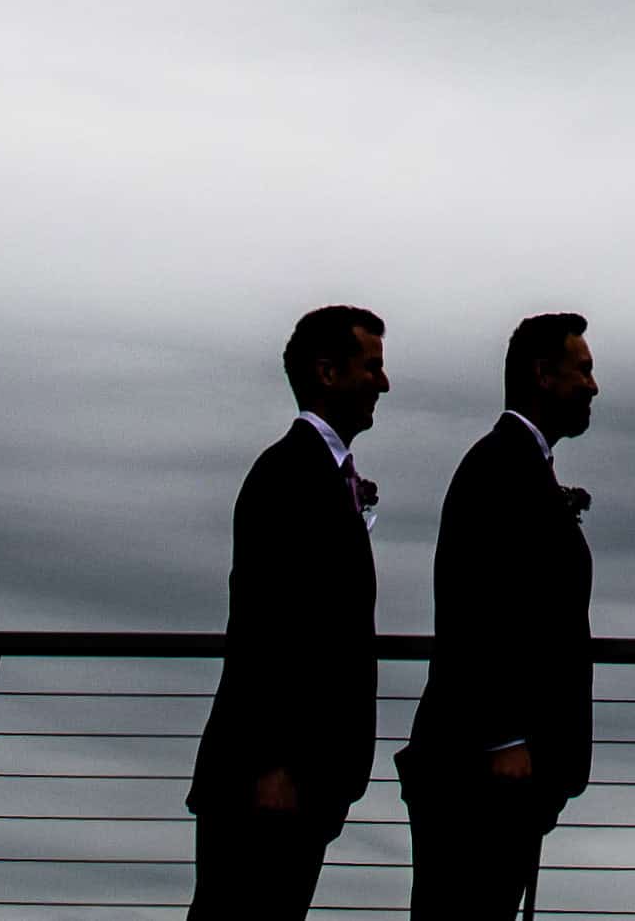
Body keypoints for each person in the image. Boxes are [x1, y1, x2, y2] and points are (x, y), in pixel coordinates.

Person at [193, 305, 393, 921]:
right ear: (327, 372)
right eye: (372, 367)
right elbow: (264, 624)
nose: (383, 384)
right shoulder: (289, 474)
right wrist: (273, 764)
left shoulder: (313, 473)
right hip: (275, 782)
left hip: (306, 776)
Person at [405, 312, 603, 921]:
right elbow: (478, 606)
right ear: (542, 375)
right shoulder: (501, 467)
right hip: (484, 770)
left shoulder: (517, 465)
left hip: (498, 767)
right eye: (584, 370)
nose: (594, 386)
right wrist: (507, 737)